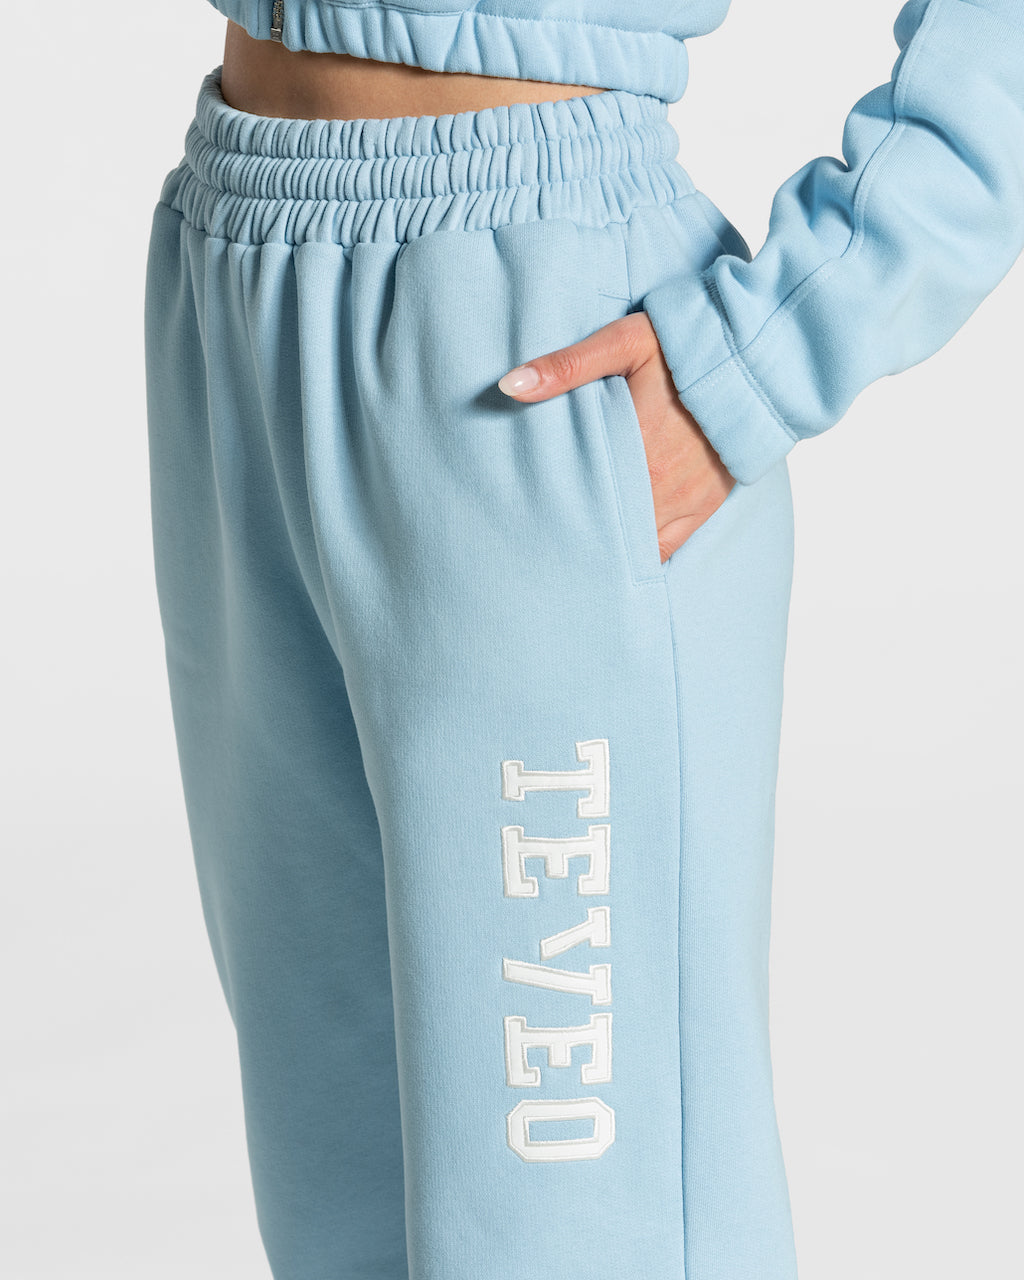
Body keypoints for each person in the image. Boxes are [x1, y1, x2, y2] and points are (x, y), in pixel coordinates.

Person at [142, 3, 1024, 1277]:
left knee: (572, 1233)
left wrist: (787, 336)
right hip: (236, 256)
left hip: (530, 330)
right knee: (339, 1216)